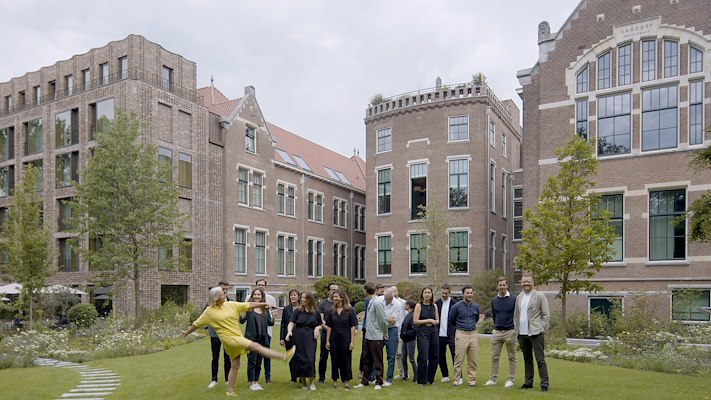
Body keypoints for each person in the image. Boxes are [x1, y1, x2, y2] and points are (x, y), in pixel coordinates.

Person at [180, 287, 295, 397]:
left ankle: (230, 391)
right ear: (216, 298)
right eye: (222, 294)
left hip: (237, 336)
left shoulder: (231, 305)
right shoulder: (209, 311)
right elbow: (197, 323)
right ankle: (284, 356)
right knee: (256, 346)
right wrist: (186, 332)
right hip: (229, 340)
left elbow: (249, 305)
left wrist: (265, 304)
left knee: (235, 365)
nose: (225, 295)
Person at [514, 274, 550, 392]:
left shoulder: (539, 296)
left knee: (540, 359)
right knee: (527, 359)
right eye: (524, 282)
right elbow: (516, 315)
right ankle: (528, 382)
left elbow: (546, 314)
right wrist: (516, 329)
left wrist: (543, 328)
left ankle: (544, 384)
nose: (526, 284)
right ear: (521, 283)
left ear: (533, 283)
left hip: (535, 332)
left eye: (528, 281)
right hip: (522, 333)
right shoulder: (519, 297)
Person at [354, 282, 388, 390]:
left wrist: (385, 333)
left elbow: (382, 320)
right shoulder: (371, 301)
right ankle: (365, 381)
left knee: (377, 360)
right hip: (368, 335)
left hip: (376, 336)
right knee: (366, 359)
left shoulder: (377, 302)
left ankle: (379, 382)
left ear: (365, 290)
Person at [285, 292, 322, 391]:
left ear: (310, 299)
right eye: (301, 298)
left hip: (310, 337)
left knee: (310, 359)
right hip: (298, 336)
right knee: (299, 359)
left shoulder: (316, 312)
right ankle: (303, 383)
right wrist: (289, 332)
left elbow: (320, 324)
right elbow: (291, 323)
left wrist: (317, 328)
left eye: (304, 298)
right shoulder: (298, 311)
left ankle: (312, 382)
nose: (301, 299)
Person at [485, 276, 517, 388]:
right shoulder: (494, 300)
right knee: (494, 357)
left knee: (512, 356)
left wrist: (514, 329)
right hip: (497, 332)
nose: (502, 287)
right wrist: (495, 328)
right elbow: (494, 315)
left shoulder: (514, 299)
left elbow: (516, 315)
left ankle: (511, 379)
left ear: (507, 286)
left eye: (504, 285)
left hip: (510, 331)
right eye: (500, 285)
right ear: (497, 286)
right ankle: (493, 379)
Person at [240, 288, 274, 391]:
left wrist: (273, 318)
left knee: (259, 361)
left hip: (262, 338)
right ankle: (251, 382)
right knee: (252, 361)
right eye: (255, 294)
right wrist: (242, 312)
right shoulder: (249, 308)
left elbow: (270, 323)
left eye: (258, 295)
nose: (256, 296)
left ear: (262, 296)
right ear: (252, 296)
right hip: (252, 338)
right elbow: (242, 321)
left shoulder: (265, 309)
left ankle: (256, 381)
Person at [325, 289, 358, 390]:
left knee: (346, 358)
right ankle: (335, 380)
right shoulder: (331, 311)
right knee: (334, 358)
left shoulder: (350, 310)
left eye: (336, 296)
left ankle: (346, 380)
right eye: (333, 297)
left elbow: (352, 327)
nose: (334, 298)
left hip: (346, 336)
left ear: (342, 297)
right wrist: (327, 340)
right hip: (334, 337)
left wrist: (352, 341)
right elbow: (329, 327)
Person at [448, 286, 480, 387]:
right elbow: (451, 320)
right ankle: (457, 379)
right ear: (463, 294)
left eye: (471, 293)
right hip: (461, 333)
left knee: (473, 359)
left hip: (473, 334)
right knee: (459, 358)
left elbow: (476, 319)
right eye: (467, 293)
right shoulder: (456, 307)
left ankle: (471, 379)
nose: (469, 295)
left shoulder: (475, 307)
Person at [206, 281, 232, 389]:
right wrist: (207, 327)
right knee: (215, 357)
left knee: (228, 357)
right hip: (215, 334)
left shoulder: (230, 302)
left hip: (227, 334)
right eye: (223, 289)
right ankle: (214, 380)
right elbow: (204, 315)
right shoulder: (211, 302)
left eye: (226, 289)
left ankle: (228, 379)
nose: (225, 291)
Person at [414, 287, 439, 385]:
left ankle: (430, 379)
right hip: (423, 331)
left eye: (429, 292)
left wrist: (434, 322)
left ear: (432, 294)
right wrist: (428, 320)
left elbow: (437, 320)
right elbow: (415, 321)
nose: (427, 294)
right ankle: (421, 380)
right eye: (425, 292)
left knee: (434, 356)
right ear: (422, 294)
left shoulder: (434, 306)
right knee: (423, 356)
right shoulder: (419, 306)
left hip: (433, 331)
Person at [254, 279, 277, 384]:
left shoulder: (271, 299)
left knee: (266, 354)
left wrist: (272, 318)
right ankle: (253, 378)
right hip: (254, 332)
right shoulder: (250, 297)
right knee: (254, 356)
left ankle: (268, 377)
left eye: (262, 285)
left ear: (265, 286)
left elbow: (273, 314)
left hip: (267, 332)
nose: (260, 286)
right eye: (259, 285)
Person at [435, 284, 457, 383]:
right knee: (440, 356)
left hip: (451, 334)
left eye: (446, 293)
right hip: (440, 334)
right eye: (442, 293)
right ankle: (445, 375)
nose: (444, 295)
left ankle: (458, 376)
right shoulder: (437, 303)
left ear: (449, 293)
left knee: (455, 355)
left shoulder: (455, 304)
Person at [317, 282, 339, 383]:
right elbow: (321, 320)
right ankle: (321, 378)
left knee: (336, 357)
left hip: (338, 335)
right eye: (333, 289)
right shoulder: (323, 304)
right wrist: (328, 328)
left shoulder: (340, 303)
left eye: (336, 289)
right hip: (325, 334)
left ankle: (336, 378)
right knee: (323, 357)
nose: (335, 291)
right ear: (328, 291)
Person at [382, 286, 404, 386]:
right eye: (386, 299)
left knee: (391, 356)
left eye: (389, 300)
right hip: (380, 329)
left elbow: (393, 320)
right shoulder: (380, 300)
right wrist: (386, 318)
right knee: (376, 354)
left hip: (392, 330)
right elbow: (380, 317)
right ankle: (374, 377)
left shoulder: (397, 304)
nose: (387, 301)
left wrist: (382, 318)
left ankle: (389, 379)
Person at [280, 289, 301, 384]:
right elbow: (283, 323)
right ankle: (293, 377)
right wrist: (282, 338)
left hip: (300, 335)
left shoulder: (302, 308)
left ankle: (301, 376)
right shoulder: (286, 309)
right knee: (291, 357)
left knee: (300, 356)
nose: (292, 297)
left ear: (298, 296)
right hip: (288, 336)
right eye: (291, 295)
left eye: (294, 295)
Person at [358, 282, 376, 380]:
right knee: (368, 351)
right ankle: (365, 372)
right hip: (370, 328)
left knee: (365, 351)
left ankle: (363, 371)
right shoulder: (372, 299)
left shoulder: (368, 300)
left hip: (367, 328)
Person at [399, 299, 417, 382]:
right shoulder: (408, 315)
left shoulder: (413, 315)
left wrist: (405, 334)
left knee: (411, 359)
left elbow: (414, 329)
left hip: (410, 340)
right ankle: (405, 375)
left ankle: (416, 375)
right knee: (403, 358)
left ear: (408, 305)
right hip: (405, 339)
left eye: (405, 304)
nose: (404, 305)